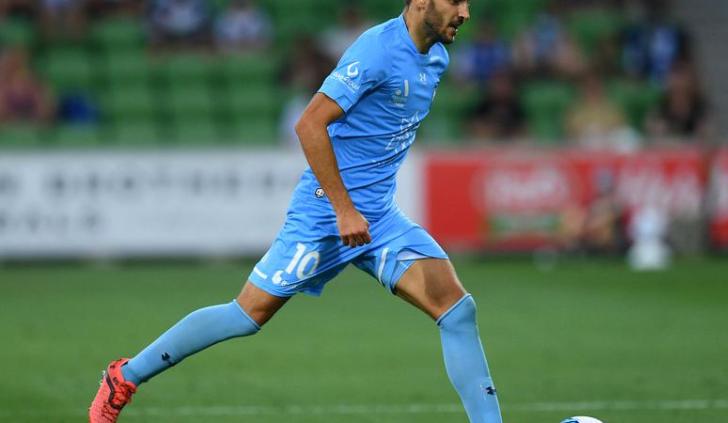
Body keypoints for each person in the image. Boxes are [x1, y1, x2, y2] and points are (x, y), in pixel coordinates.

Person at [88, 2, 504, 423]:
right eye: (455, 0)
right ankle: (124, 376)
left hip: (379, 217)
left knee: (457, 310)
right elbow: (309, 124)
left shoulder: (436, 57)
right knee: (247, 315)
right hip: (325, 213)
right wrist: (343, 209)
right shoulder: (377, 50)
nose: (465, 12)